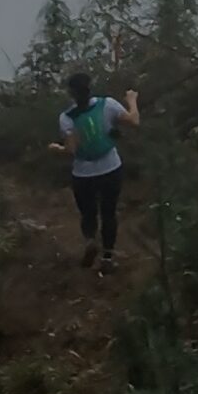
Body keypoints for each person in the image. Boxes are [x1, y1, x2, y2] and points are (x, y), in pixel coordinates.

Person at [50, 67, 139, 272]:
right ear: (90, 88)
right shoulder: (107, 104)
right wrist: (132, 100)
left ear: (71, 93)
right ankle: (108, 258)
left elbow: (71, 150)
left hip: (83, 174)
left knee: (88, 213)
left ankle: (90, 240)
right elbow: (134, 120)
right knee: (109, 212)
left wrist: (56, 148)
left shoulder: (67, 118)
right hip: (111, 168)